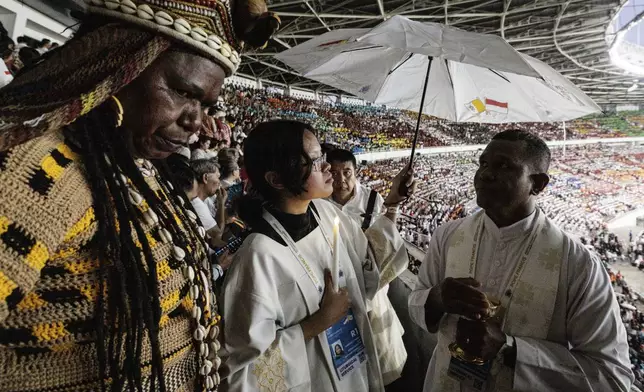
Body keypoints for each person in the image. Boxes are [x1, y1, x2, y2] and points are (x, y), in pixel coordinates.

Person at [0, 1, 279, 391]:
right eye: (184, 92)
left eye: (205, 105)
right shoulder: (35, 167)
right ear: (117, 65)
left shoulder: (136, 163)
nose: (195, 121)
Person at [409, 130, 633, 391]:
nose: (485, 174)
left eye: (503, 166)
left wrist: (512, 350)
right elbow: (417, 303)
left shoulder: (578, 264)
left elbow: (612, 377)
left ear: (538, 184)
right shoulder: (447, 235)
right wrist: (435, 298)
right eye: (483, 163)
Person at [222, 120, 414, 391]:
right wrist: (316, 324)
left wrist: (392, 203)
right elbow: (242, 375)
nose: (327, 168)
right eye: (314, 162)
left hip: (355, 369)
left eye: (321, 157)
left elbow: (369, 268)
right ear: (276, 179)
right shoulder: (258, 257)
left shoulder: (326, 213)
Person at [326, 148, 409, 387]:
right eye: (335, 173)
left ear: (356, 172)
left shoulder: (372, 199)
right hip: (337, 288)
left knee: (381, 351)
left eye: (347, 173)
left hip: (371, 288)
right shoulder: (319, 202)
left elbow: (386, 238)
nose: (341, 180)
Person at [191, 158, 228, 248]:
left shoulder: (203, 200)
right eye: (218, 177)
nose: (219, 182)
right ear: (205, 178)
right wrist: (221, 204)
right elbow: (217, 234)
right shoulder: (197, 203)